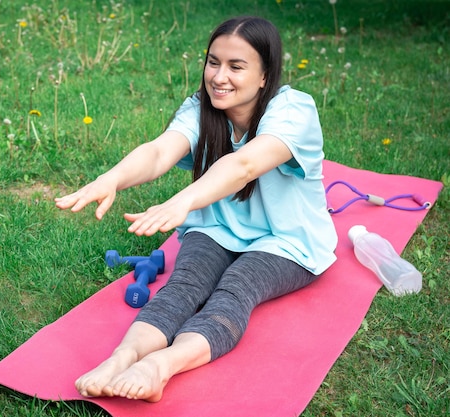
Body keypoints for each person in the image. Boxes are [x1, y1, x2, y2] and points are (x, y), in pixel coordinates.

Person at [55, 15, 337, 402]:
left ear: (263, 76)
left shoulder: (293, 110)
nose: (219, 76)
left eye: (236, 66)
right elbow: (158, 152)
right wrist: (112, 178)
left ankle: (160, 367)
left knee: (235, 289)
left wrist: (183, 201)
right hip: (218, 228)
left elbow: (245, 165)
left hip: (284, 242)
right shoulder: (200, 110)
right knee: (183, 287)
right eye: (213, 61)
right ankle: (124, 357)